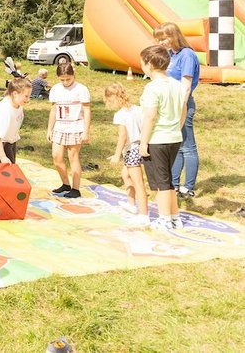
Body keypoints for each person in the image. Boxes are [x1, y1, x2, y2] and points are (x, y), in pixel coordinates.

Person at [137, 45, 186, 232]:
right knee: (168, 180)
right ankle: (175, 217)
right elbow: (183, 112)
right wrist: (176, 129)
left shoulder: (152, 88)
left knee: (161, 182)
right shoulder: (177, 85)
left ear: (149, 64)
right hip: (174, 137)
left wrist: (143, 142)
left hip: (157, 139)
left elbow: (150, 116)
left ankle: (165, 219)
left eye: (142, 62)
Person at [153, 22, 200, 199]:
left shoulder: (187, 55)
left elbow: (185, 86)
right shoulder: (172, 54)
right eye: (159, 39)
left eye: (163, 38)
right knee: (177, 146)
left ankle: (188, 187)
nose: (161, 42)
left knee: (188, 147)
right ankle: (174, 184)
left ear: (173, 36)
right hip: (171, 105)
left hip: (183, 105)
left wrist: (181, 109)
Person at [103, 83, 149, 223]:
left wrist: (117, 155)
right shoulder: (138, 109)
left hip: (132, 149)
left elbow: (123, 136)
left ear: (112, 98)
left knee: (138, 183)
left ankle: (144, 215)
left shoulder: (120, 115)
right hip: (140, 146)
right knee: (125, 174)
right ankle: (131, 204)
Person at [46, 61, 92, 199]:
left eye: (68, 79)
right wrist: (49, 129)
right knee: (56, 156)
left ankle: (75, 189)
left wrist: (86, 131)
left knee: (73, 157)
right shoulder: (55, 89)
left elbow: (87, 110)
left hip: (75, 126)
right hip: (60, 127)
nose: (65, 82)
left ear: (74, 75)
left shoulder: (81, 89)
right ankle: (65, 184)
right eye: (62, 80)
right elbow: (53, 110)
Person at [0, 77, 32, 164]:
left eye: (29, 96)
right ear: (15, 94)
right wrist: (3, 157)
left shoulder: (17, 102)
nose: (28, 99)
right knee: (6, 165)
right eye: (26, 96)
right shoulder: (5, 111)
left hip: (8, 138)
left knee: (11, 164)